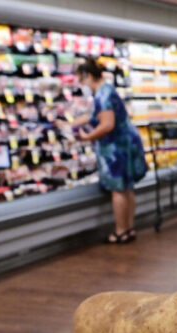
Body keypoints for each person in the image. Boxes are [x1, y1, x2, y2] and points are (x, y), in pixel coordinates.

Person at [64, 58, 138, 243]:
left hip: (116, 150)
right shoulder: (106, 91)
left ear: (88, 76)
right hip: (124, 145)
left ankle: (120, 231)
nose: (82, 85)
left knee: (118, 190)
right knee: (127, 188)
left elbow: (107, 125)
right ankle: (129, 229)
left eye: (82, 81)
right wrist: (69, 123)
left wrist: (86, 137)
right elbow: (92, 116)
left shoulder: (103, 95)